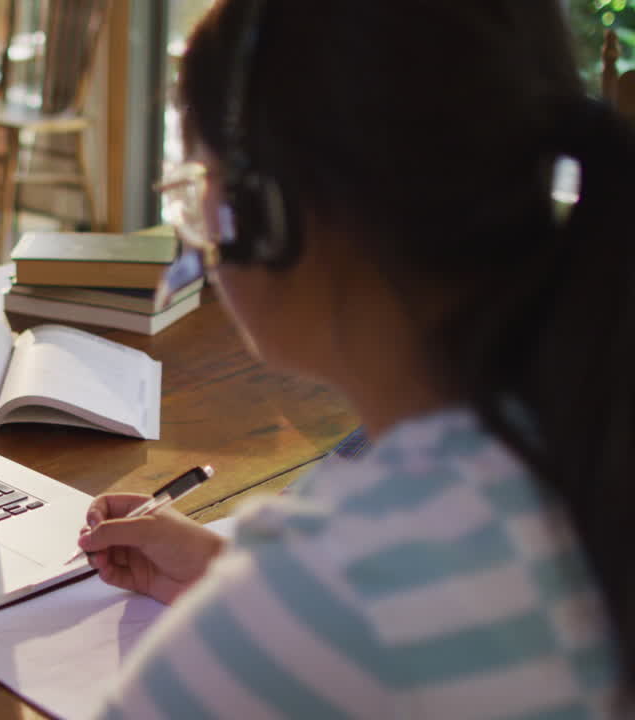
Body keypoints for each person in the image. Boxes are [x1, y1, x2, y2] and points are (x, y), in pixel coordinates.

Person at [76, 1, 631, 716]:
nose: (201, 237)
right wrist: (235, 579)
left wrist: (273, 613)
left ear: (271, 211)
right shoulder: (581, 439)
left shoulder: (332, 592)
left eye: (197, 187)